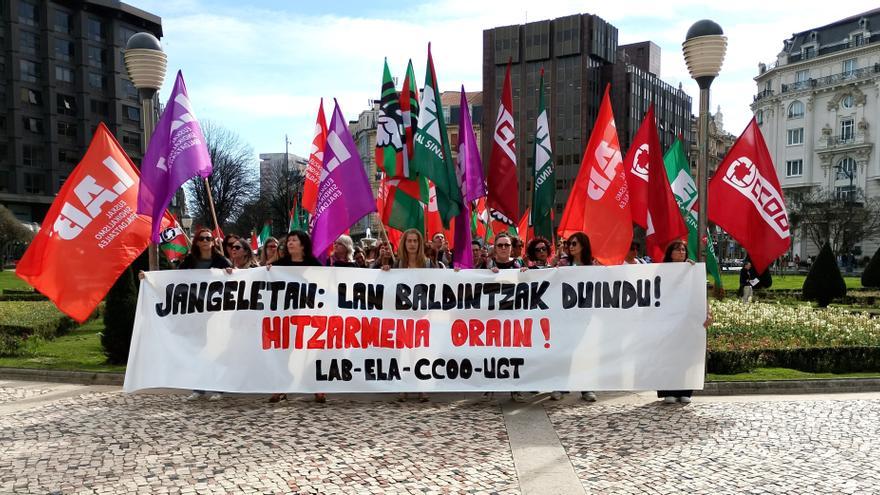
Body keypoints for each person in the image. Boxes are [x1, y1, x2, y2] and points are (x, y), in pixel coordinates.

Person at [154, 228, 233, 401]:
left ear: (213, 241)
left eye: (209, 238)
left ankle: (219, 387)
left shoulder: (221, 261)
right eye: (202, 238)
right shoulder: (190, 261)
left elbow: (234, 282)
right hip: (196, 313)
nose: (206, 241)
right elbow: (176, 279)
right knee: (197, 350)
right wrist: (149, 278)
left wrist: (229, 273)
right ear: (197, 242)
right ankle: (199, 387)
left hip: (216, 313)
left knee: (215, 350)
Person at [266, 230, 323, 402]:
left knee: (311, 351)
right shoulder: (279, 264)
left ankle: (317, 387)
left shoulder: (314, 264)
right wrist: (266, 270)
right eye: (288, 240)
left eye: (294, 240)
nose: (289, 243)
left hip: (309, 316)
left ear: (303, 244)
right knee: (285, 352)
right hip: (287, 316)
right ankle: (281, 387)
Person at [657, 239, 713, 405]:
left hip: (687, 321)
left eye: (683, 249)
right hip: (668, 320)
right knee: (668, 356)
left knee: (686, 355)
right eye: (677, 249)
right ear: (670, 253)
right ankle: (669, 391)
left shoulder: (692, 270)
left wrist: (708, 312)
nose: (681, 252)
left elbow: (700, 294)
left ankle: (685, 391)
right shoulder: (662, 271)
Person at [389, 229, 435, 402]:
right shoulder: (397, 264)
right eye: (409, 241)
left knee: (420, 352)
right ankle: (403, 388)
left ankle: (422, 388)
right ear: (404, 243)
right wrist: (385, 269)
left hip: (422, 315)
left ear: (420, 243)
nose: (412, 244)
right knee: (402, 353)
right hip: (402, 315)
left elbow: (438, 286)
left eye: (415, 241)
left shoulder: (429, 264)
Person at [482, 233, 526, 402]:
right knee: (492, 353)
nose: (503, 248)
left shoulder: (519, 264)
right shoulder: (486, 265)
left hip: (514, 317)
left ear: (511, 248)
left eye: (506, 245)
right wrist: (487, 274)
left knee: (513, 354)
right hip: (492, 318)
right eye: (500, 245)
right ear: (494, 248)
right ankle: (490, 387)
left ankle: (515, 388)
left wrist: (525, 274)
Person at [561, 232, 598, 402]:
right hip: (565, 316)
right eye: (569, 243)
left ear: (584, 245)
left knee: (584, 352)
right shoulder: (563, 264)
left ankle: (586, 388)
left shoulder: (593, 265)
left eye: (574, 243)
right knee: (565, 352)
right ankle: (561, 386)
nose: (571, 246)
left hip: (586, 316)